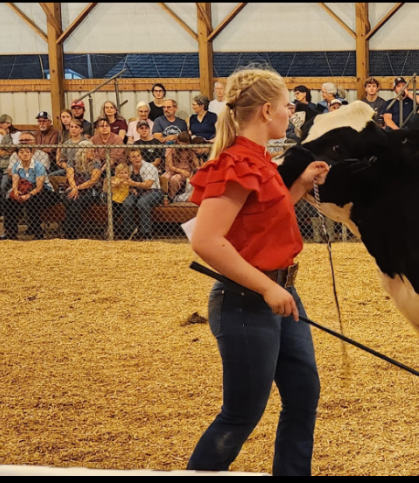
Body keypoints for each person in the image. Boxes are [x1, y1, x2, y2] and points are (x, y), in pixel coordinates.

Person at [186, 66, 328, 476]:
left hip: (280, 294)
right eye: (287, 106)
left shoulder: (260, 162)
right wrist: (268, 288)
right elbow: (207, 240)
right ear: (267, 110)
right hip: (247, 301)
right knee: (242, 412)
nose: (291, 113)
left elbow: (265, 218)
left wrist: (300, 184)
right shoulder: (236, 164)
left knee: (303, 394)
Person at [0, 144, 55, 240]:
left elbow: (39, 187)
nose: (25, 154)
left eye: (27, 152)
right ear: (18, 155)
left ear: (31, 153)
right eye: (21, 152)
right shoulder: (16, 166)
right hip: (25, 189)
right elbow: (15, 182)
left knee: (31, 202)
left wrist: (28, 195)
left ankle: (38, 232)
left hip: (44, 191)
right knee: (9, 202)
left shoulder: (38, 166)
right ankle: (10, 232)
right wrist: (16, 192)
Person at [119, 149, 163, 240]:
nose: (137, 158)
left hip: (153, 191)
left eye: (138, 156)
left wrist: (132, 184)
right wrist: (131, 188)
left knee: (142, 202)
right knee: (127, 202)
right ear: (129, 159)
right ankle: (129, 231)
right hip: (137, 191)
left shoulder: (149, 167)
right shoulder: (129, 168)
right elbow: (125, 182)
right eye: (133, 157)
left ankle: (146, 233)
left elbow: (148, 185)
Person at [0, 116, 20, 222]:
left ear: (8, 123)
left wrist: (5, 136)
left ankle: (4, 213)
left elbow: (13, 149)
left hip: (9, 165)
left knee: (3, 187)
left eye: (2, 123)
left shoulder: (17, 134)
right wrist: (6, 152)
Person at [163, 132, 198, 200]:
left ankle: (171, 198)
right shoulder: (171, 148)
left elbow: (196, 163)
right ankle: (164, 198)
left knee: (175, 179)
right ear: (178, 141)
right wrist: (181, 171)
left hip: (185, 171)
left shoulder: (190, 149)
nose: (184, 145)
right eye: (182, 143)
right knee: (165, 177)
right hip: (172, 170)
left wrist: (194, 171)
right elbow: (170, 166)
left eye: (186, 143)